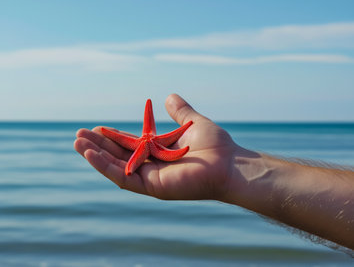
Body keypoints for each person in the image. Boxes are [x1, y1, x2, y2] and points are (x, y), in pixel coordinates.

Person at [74, 94, 354, 250]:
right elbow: (149, 148)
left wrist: (227, 170)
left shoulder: (150, 143)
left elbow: (164, 148)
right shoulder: (149, 143)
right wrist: (229, 170)